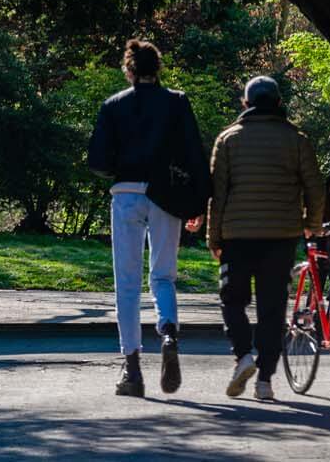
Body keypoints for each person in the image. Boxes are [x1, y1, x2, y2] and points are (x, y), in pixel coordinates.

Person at [86, 38, 208, 398]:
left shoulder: (113, 106)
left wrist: (118, 167)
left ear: (129, 70)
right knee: (163, 274)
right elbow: (193, 153)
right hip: (165, 195)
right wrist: (197, 202)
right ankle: (168, 331)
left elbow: (97, 160)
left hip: (125, 194)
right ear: (159, 69)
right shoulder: (177, 102)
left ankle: (132, 368)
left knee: (126, 282)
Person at [207, 75, 325, 402]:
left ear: (245, 103)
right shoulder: (296, 139)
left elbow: (217, 195)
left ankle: (243, 356)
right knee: (272, 309)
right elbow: (315, 187)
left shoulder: (228, 139)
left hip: (237, 235)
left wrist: (213, 238)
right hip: (281, 235)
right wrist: (310, 224)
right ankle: (265, 382)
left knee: (232, 300)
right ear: (279, 103)